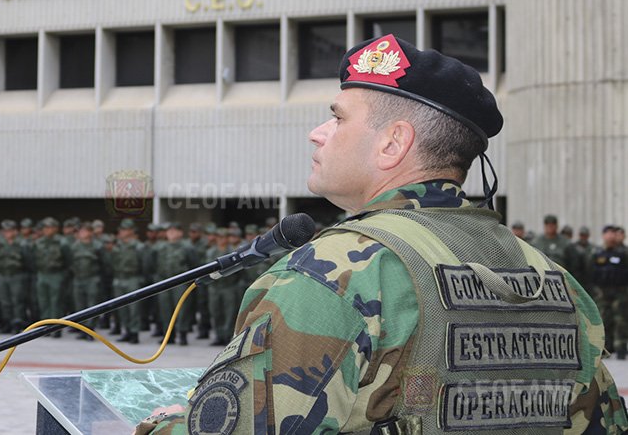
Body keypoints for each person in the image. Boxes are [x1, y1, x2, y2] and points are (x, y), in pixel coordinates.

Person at [136, 35, 627, 434]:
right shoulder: (552, 277)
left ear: (393, 143)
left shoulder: (339, 271)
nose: (318, 132)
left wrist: (162, 426)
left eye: (337, 117)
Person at [590, 225, 628, 358]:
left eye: (613, 233)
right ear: (604, 235)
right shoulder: (597, 252)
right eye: (608, 233)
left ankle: (621, 348)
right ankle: (605, 348)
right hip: (602, 293)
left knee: (620, 320)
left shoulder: (623, 252)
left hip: (620, 292)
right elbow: (590, 272)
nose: (611, 236)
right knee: (603, 319)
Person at [111, 219, 146, 344]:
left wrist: (141, 279)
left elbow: (145, 265)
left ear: (132, 231)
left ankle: (134, 332)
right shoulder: (117, 246)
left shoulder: (139, 246)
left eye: (126, 229)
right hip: (119, 278)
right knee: (122, 308)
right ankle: (126, 331)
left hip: (133, 278)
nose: (123, 232)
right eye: (122, 229)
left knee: (134, 308)